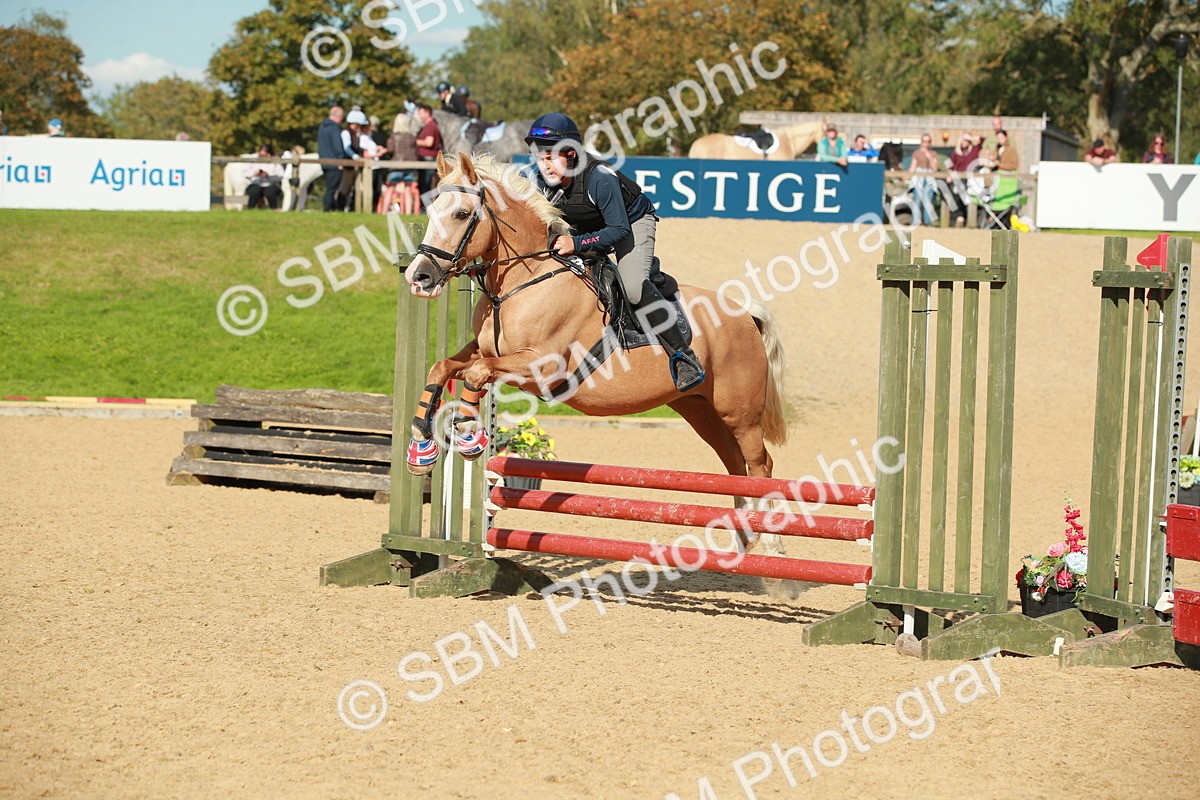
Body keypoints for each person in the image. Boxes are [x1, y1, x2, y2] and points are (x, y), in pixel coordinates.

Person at [522, 113, 704, 391]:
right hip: (588, 225)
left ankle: (683, 356)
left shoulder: (600, 178)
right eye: (539, 158)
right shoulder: (541, 181)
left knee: (632, 287)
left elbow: (618, 230)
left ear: (571, 153)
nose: (544, 166)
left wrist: (578, 244)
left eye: (551, 157)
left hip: (631, 223)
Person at [380, 112, 419, 214]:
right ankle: (408, 214)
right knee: (408, 190)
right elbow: (416, 151)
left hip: (396, 165)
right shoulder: (412, 137)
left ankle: (384, 213)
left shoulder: (393, 137)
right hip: (410, 166)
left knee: (390, 189)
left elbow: (391, 149)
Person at [947, 132, 982, 227]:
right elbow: (948, 164)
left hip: (971, 180)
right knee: (956, 193)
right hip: (958, 180)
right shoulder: (955, 153)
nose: (965, 142)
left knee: (968, 196)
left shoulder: (974, 150)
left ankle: (967, 219)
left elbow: (983, 140)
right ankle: (959, 216)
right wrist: (949, 174)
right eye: (963, 139)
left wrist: (971, 137)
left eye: (967, 140)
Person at [317, 106, 345, 212]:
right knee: (331, 189)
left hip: (324, 162)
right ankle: (327, 209)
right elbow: (337, 146)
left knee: (329, 187)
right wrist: (341, 160)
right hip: (334, 162)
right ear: (338, 116)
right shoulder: (334, 128)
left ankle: (331, 208)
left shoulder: (322, 127)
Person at [908, 133, 939, 226]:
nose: (926, 143)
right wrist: (905, 177)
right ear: (921, 142)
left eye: (928, 141)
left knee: (928, 201)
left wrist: (930, 158)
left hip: (929, 178)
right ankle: (916, 222)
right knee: (917, 200)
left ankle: (927, 222)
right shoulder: (916, 153)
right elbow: (912, 167)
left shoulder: (933, 154)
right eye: (924, 141)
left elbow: (935, 169)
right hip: (918, 178)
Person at [414, 103, 442, 201]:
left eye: (420, 113)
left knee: (426, 184)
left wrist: (415, 142)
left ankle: (426, 206)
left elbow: (429, 142)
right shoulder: (430, 125)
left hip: (428, 159)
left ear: (427, 113)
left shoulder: (430, 126)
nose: (419, 116)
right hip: (428, 159)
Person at [244, 143, 284, 209]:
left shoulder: (275, 161)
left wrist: (268, 176)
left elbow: (280, 175)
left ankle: (274, 209)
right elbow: (245, 174)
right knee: (254, 191)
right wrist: (254, 174)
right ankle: (250, 209)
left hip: (270, 183)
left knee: (270, 192)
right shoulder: (253, 159)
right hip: (255, 183)